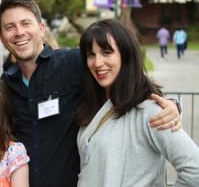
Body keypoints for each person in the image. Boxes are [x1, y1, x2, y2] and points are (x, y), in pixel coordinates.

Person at [0, 0, 182, 187]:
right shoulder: (5, 85)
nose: (19, 32)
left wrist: (169, 105)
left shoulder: (73, 63)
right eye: (10, 27)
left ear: (41, 28)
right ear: (2, 37)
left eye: (26, 23)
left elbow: (127, 81)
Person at [76, 19, 199, 186]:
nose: (97, 63)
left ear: (125, 54)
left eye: (106, 52)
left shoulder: (150, 112)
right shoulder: (94, 104)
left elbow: (195, 169)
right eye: (91, 54)